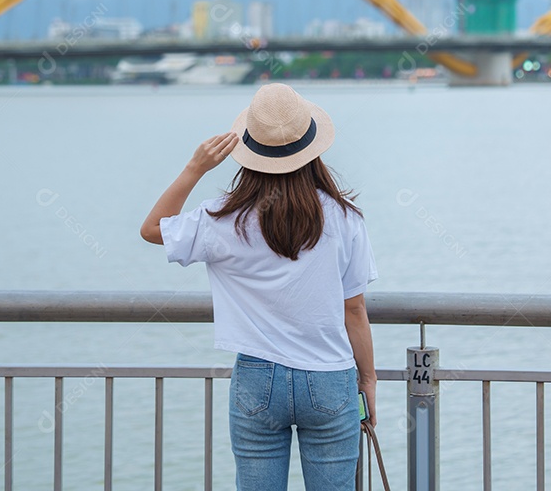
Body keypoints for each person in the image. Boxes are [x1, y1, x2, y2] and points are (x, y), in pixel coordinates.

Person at [140, 83, 378, 490]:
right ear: (312, 148)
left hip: (257, 378)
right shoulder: (345, 217)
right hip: (330, 377)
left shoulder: (221, 219)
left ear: (249, 150)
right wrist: (368, 380)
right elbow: (353, 309)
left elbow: (152, 229)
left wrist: (195, 167)